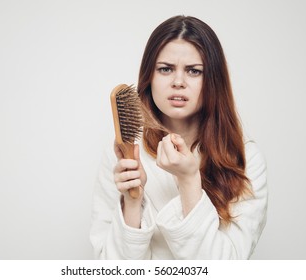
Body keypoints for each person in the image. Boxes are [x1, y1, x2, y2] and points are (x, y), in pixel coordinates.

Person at [90, 15, 268, 259]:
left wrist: (188, 180)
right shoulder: (125, 156)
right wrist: (132, 203)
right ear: (149, 77)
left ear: (213, 80)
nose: (178, 82)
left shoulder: (246, 159)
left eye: (194, 71)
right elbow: (111, 270)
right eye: (165, 69)